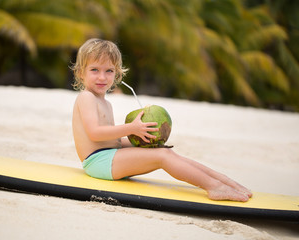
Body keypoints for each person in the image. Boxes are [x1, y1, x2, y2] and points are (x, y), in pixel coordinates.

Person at [71, 38, 252, 202]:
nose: (102, 77)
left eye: (109, 71)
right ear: (81, 73)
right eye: (95, 70)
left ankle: (225, 182)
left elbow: (112, 141)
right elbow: (95, 134)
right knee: (162, 157)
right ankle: (215, 188)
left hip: (108, 156)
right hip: (97, 163)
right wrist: (131, 128)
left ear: (116, 74)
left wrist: (142, 137)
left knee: (165, 152)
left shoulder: (106, 103)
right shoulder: (86, 97)